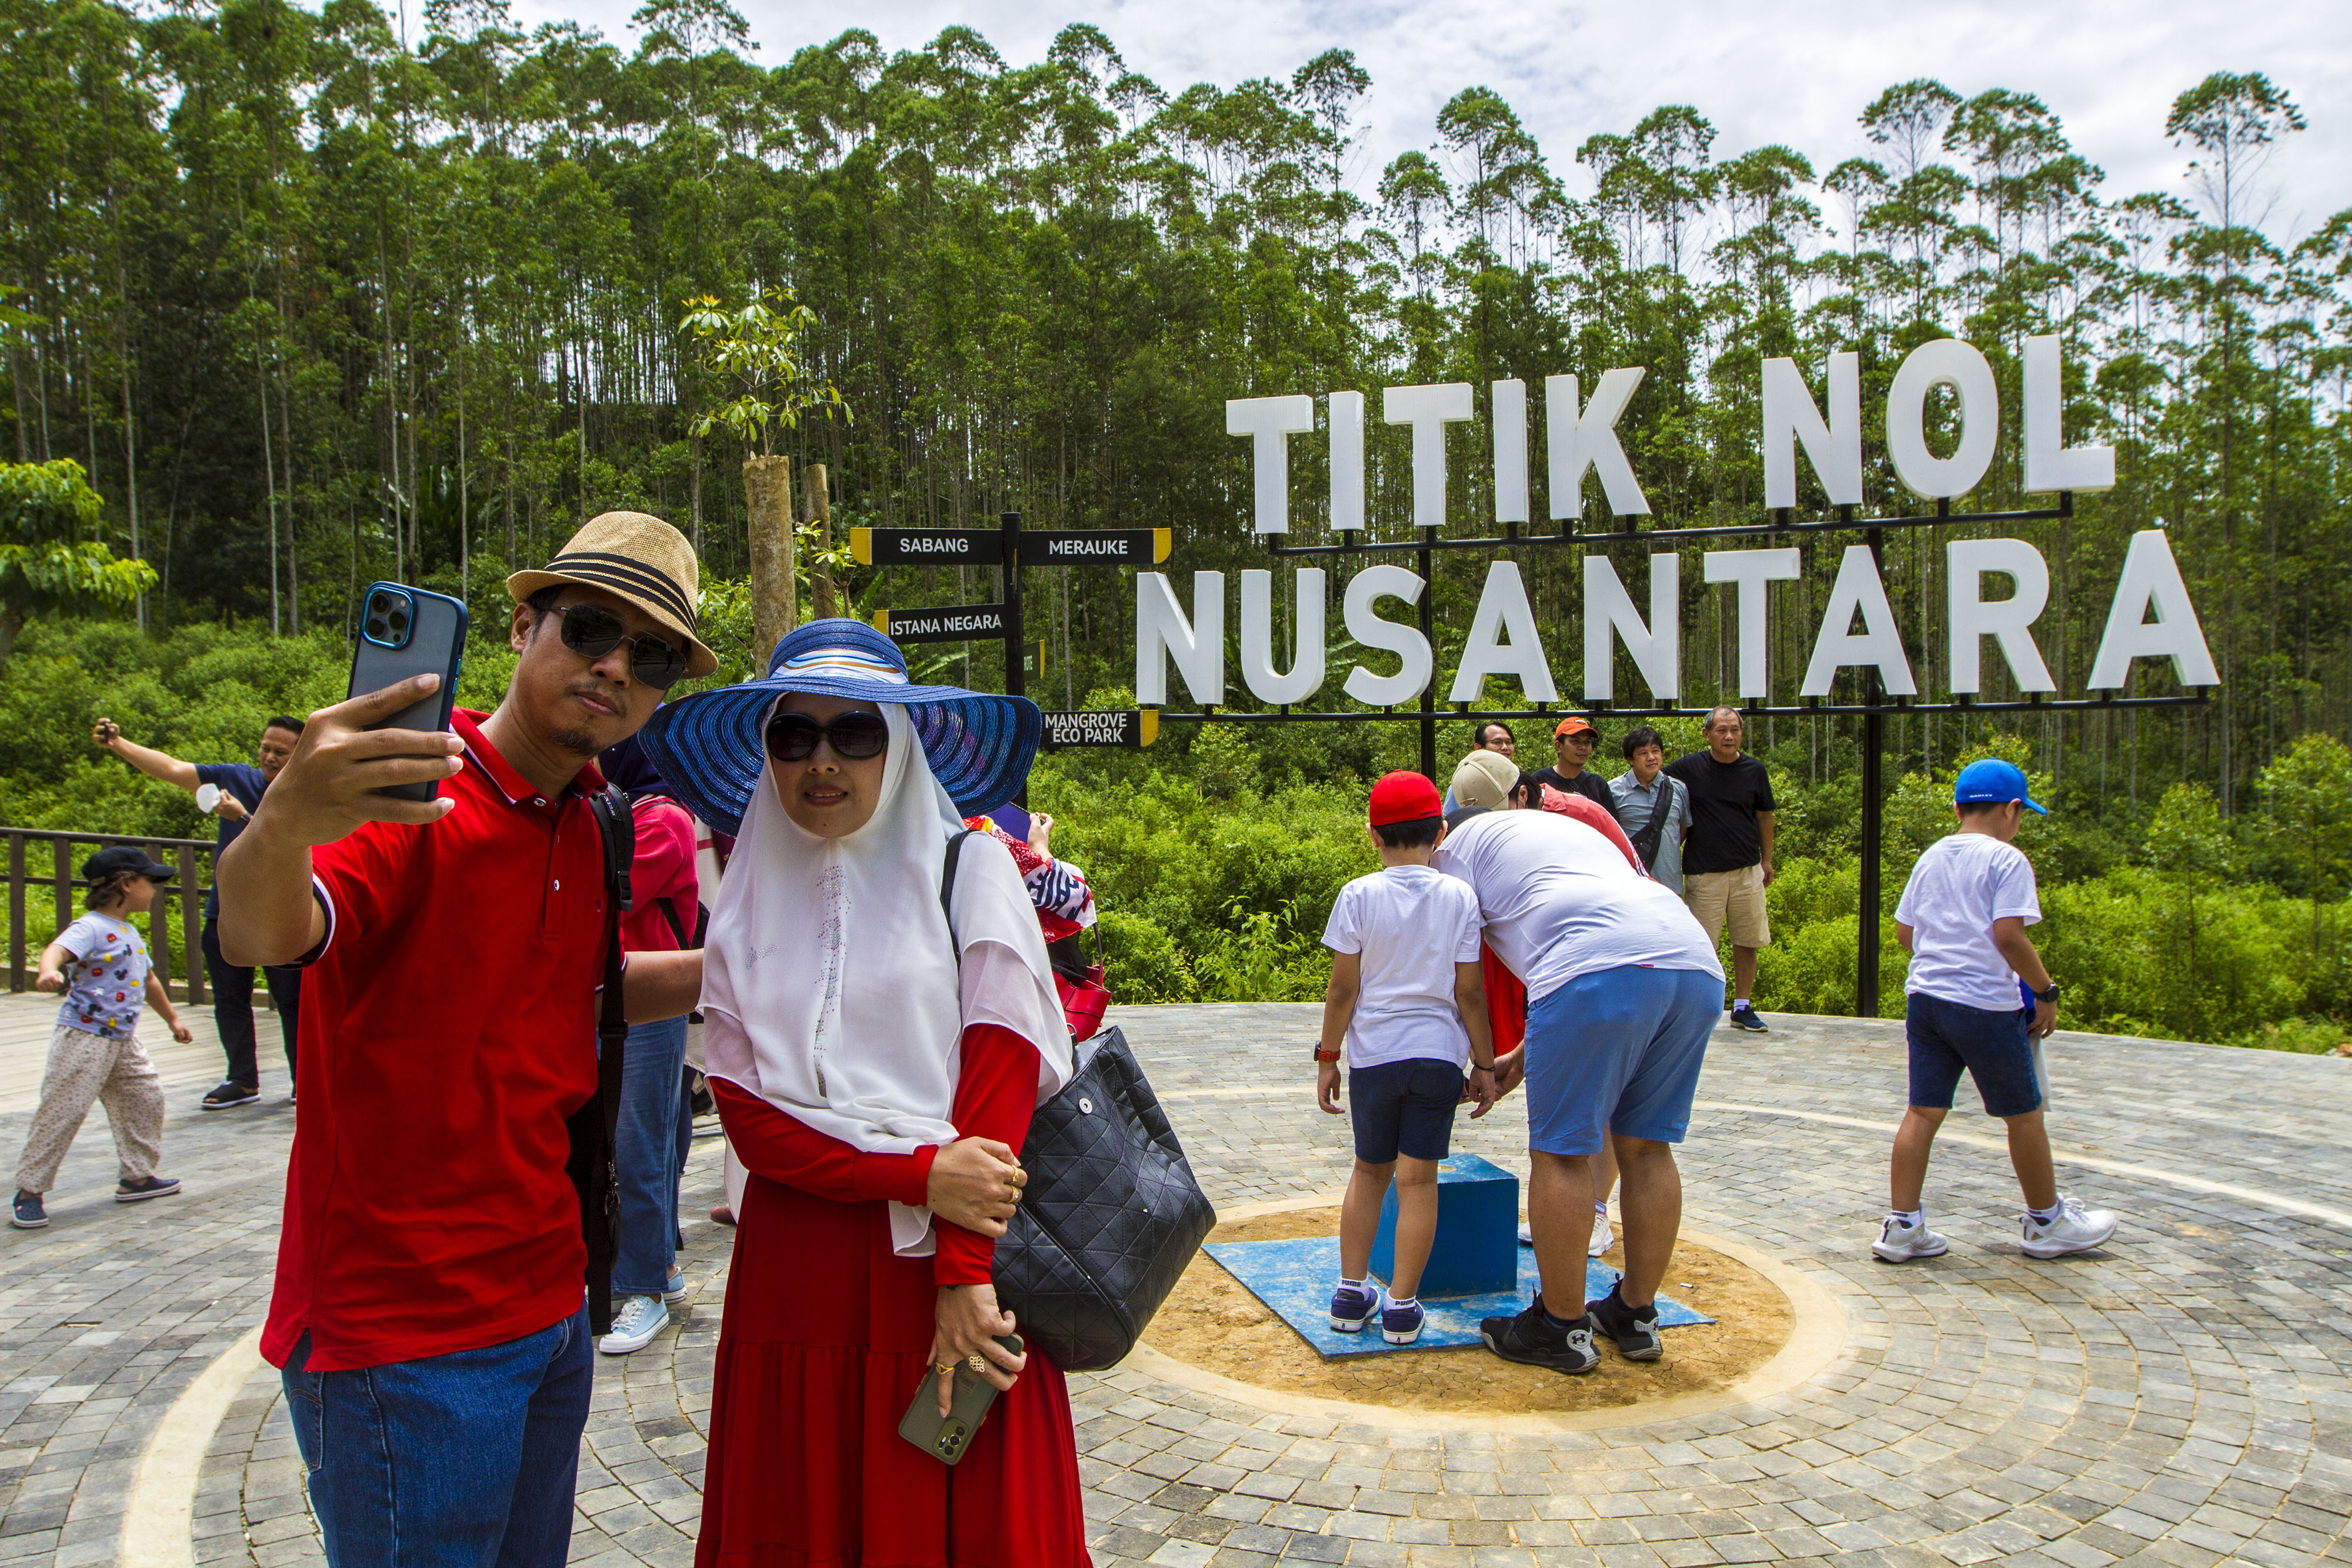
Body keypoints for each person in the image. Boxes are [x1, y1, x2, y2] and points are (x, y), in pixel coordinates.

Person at [213, 512, 709, 1567]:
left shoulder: (593, 820)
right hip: (405, 1335)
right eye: (589, 629)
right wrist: (285, 821)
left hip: (548, 1306)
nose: (615, 665)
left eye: (651, 655)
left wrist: (744, 976)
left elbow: (582, 995)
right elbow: (263, 930)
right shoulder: (405, 795)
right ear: (525, 627)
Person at [640, 618, 1091, 1568]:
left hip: (947, 1268)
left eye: (857, 734)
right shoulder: (748, 904)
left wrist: (963, 1270)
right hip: (797, 1269)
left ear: (904, 743)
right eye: (793, 736)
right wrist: (919, 1170)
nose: (823, 761)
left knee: (957, 1508)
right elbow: (754, 1124)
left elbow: (1000, 1080)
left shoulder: (969, 872)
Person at [1438, 805, 1723, 1375]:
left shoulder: (1454, 851)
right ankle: (1634, 1314)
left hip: (1591, 971)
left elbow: (1456, 964)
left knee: (1562, 1152)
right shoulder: (1566, 833)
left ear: (1442, 828)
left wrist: (1475, 1055)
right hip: (1693, 964)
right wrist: (1527, 1048)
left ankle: (1560, 1327)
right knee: (1646, 1148)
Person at [1879, 758, 2116, 1263]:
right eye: (2021, 813)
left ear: (1960, 807)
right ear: (2011, 810)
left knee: (1923, 1110)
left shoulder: (1933, 856)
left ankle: (1903, 1226)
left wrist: (1946, 950)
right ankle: (2047, 1221)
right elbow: (2009, 935)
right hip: (1985, 1004)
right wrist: (2046, 990)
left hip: (1926, 1000)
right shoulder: (2007, 861)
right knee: (2024, 1116)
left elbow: (1905, 933)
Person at [1315, 771, 1498, 1346]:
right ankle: (1400, 1307)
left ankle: (1350, 1293)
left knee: (1370, 1172)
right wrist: (1484, 1065)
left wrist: (1328, 1057)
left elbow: (1343, 990)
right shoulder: (1460, 897)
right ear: (1440, 832)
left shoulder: (1358, 895)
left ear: (1374, 837)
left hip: (1375, 1056)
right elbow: (1470, 992)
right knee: (1418, 1181)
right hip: (1438, 1058)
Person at [92, 715, 306, 1108]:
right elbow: (173, 769)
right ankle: (242, 1080)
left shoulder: (306, 793)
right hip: (227, 912)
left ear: (299, 754)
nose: (269, 756)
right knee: (230, 998)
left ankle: (304, 1083)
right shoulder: (234, 777)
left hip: (281, 913)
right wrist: (118, 745)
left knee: (292, 1002)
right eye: (265, 747)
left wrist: (242, 817)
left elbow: (292, 845)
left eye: (280, 750)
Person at [9, 848, 192, 1229]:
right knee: (63, 1110)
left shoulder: (129, 931)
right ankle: (29, 1191)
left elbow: (149, 980)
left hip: (124, 1039)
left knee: (145, 1097)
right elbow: (56, 950)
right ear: (126, 883)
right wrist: (47, 972)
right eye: (150, 882)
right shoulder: (90, 926)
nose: (156, 890)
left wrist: (173, 1019)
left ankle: (137, 1176)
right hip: (85, 1036)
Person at [595, 732, 702, 1356]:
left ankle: (642, 1288)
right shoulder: (615, 815)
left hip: (649, 1000)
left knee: (636, 1144)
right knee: (628, 1139)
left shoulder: (662, 819)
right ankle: (653, 1265)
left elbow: (608, 891)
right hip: (604, 996)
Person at [1668, 706, 1776, 1032]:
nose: (1729, 736)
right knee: (1703, 945)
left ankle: (1742, 1007)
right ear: (1707, 734)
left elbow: (1764, 816)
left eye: (1735, 730)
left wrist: (1767, 860)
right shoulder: (1689, 768)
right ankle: (1699, 1008)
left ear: (1741, 733)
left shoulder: (1754, 770)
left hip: (1747, 871)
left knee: (1748, 940)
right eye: (1721, 730)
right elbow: (1655, 780)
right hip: (1703, 873)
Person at [1611, 726, 1690, 895]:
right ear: (1630, 759)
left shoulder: (1678, 789)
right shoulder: (1613, 790)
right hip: (1629, 885)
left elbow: (1682, 830)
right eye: (1643, 753)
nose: (1651, 758)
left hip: (1669, 885)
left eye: (1656, 751)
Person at [1528, 716, 1616, 815]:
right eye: (1575, 741)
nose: (1583, 747)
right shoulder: (1539, 780)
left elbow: (1610, 825)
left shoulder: (1598, 785)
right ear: (1559, 746)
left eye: (1587, 742)